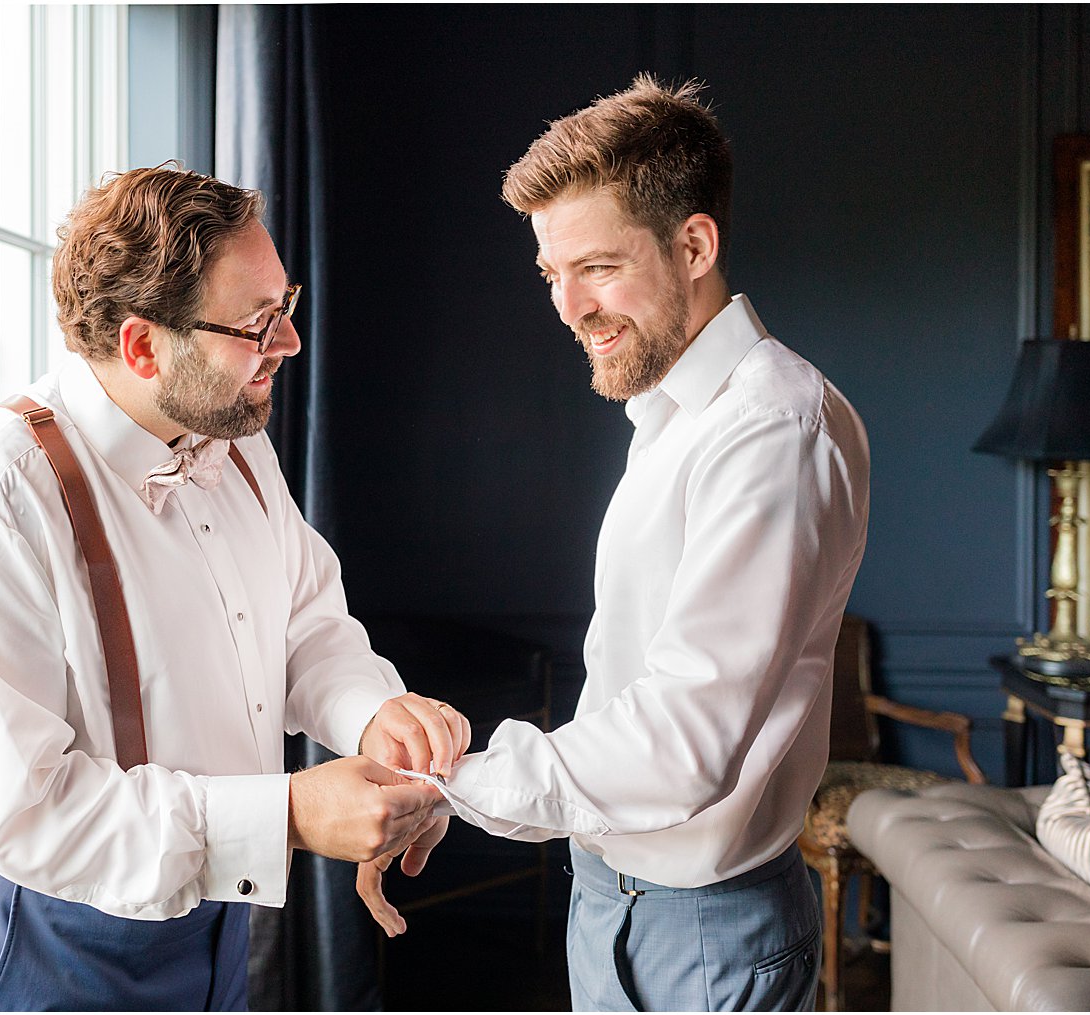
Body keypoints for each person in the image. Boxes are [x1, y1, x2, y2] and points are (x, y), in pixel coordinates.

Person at [0, 165, 469, 1011]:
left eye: (286, 305)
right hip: (30, 927)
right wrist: (290, 816)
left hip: (206, 904)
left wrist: (372, 714)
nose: (290, 344)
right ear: (142, 345)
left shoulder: (235, 438)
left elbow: (306, 621)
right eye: (256, 324)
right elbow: (31, 812)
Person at [358, 76, 870, 1012]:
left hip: (704, 934)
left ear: (695, 244)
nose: (567, 306)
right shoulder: (672, 414)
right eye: (551, 274)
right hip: (614, 903)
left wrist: (450, 783)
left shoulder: (770, 430)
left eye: (595, 267)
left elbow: (685, 738)